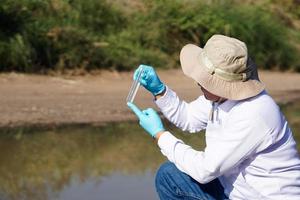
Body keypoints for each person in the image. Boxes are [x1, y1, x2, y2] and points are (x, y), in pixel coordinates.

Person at [127, 34, 300, 200]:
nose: (198, 82)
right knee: (169, 176)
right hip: (235, 189)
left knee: (173, 176)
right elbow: (188, 118)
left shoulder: (254, 114)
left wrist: (160, 135)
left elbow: (205, 170)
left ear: (226, 85)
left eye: (204, 79)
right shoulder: (220, 98)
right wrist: (160, 91)